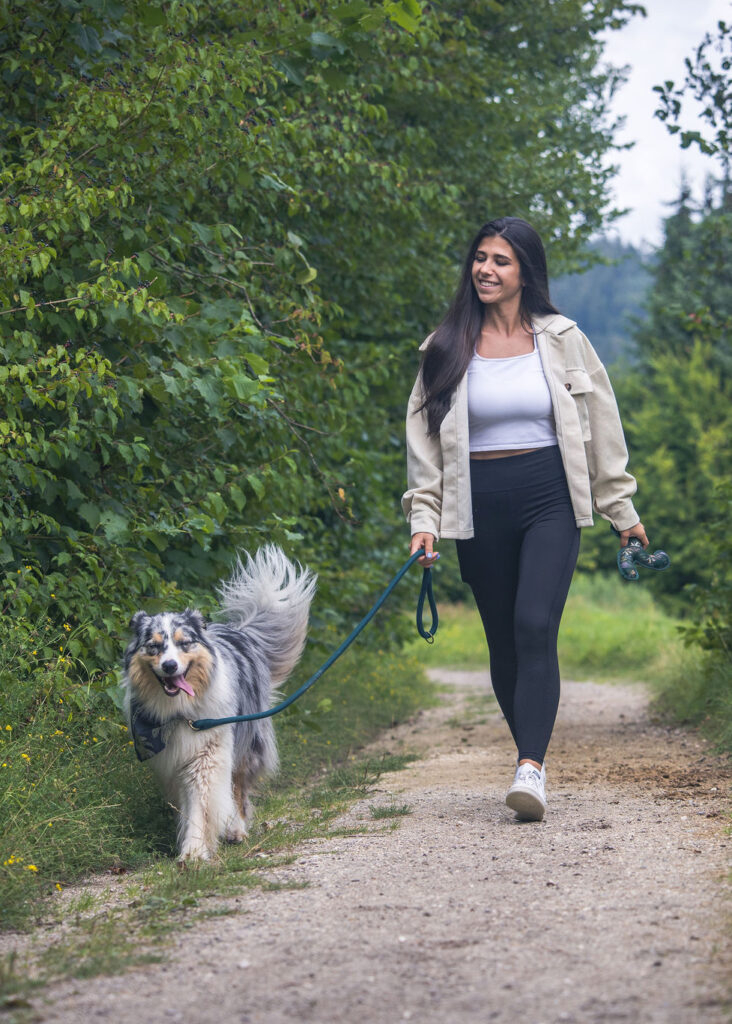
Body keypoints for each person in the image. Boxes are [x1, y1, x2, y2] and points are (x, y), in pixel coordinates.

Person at [402, 216, 648, 822]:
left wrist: (622, 509)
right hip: (477, 503)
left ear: (525, 273)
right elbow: (424, 446)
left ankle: (530, 769)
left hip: (550, 496)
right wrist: (423, 519)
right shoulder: (444, 347)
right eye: (480, 258)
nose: (486, 269)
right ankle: (527, 754)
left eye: (501, 260)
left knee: (535, 622)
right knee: (503, 640)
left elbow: (601, 429)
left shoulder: (563, 338)